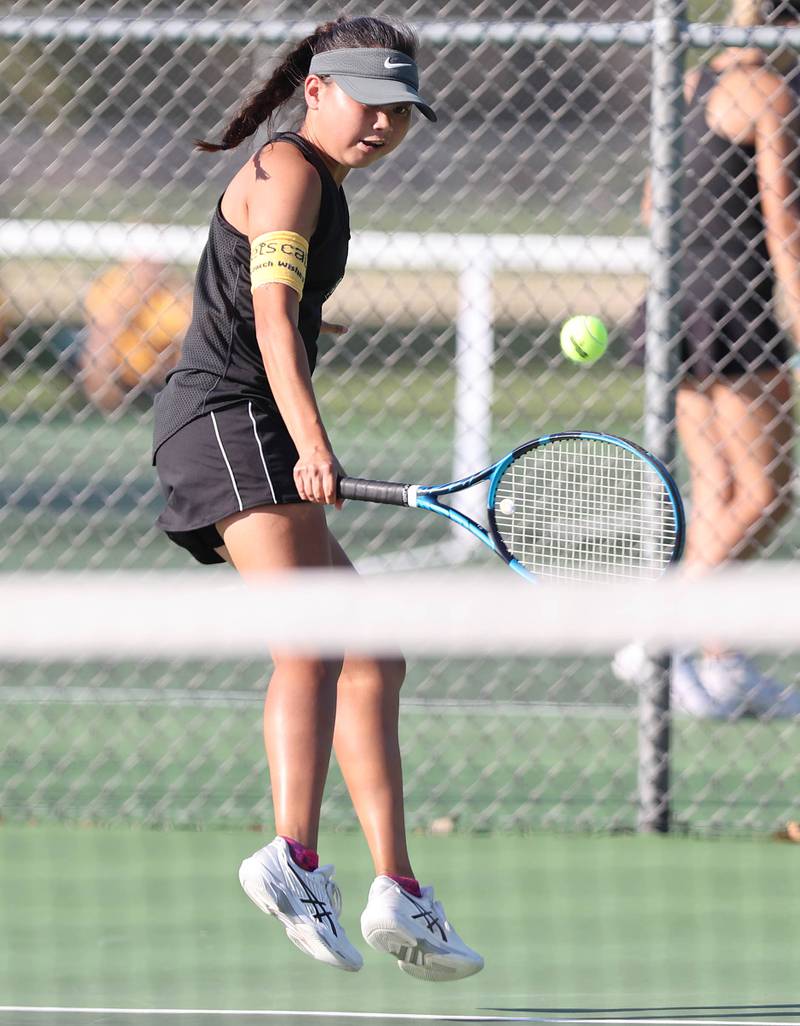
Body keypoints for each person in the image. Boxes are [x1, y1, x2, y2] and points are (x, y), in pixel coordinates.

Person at [152, 16, 483, 980]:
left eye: (400, 112)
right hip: (223, 418)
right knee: (313, 639)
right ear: (317, 90)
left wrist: (306, 337)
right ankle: (292, 857)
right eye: (367, 104)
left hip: (240, 416)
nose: (383, 124)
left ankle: (400, 891)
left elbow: (278, 307)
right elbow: (264, 323)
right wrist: (311, 442)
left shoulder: (321, 188)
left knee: (370, 654)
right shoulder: (291, 170)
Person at [616, 0, 800, 717]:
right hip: (736, 308)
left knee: (718, 488)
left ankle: (719, 660)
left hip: (678, 302)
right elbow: (783, 222)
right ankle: (657, 637)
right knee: (764, 491)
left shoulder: (692, 81)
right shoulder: (774, 93)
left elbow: (651, 205)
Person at [80, 261, 191, 412]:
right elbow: (101, 334)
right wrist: (135, 292)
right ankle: (109, 408)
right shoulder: (110, 285)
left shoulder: (172, 294)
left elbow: (185, 338)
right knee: (97, 350)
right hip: (121, 375)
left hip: (162, 379)